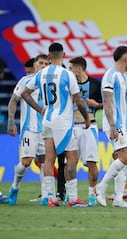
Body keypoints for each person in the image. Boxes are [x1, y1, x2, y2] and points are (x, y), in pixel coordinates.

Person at [21, 42, 90, 207]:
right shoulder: (67, 74)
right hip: (64, 122)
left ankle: (50, 197)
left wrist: (40, 109)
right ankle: (72, 198)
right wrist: (87, 118)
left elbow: (25, 93)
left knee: (49, 160)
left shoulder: (41, 74)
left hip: (47, 121)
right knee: (71, 159)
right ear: (64, 55)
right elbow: (78, 101)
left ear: (49, 56)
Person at [95, 46, 127, 208]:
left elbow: (122, 103)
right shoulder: (110, 76)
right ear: (126, 59)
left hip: (124, 123)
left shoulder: (123, 76)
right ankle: (101, 187)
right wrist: (112, 126)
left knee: (125, 160)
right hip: (115, 123)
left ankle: (118, 199)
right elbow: (107, 102)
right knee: (124, 158)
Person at [7, 54, 49, 205]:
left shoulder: (50, 82)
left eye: (46, 63)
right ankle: (14, 188)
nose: (44, 66)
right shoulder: (26, 80)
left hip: (46, 128)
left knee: (45, 161)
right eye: (41, 63)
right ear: (35, 65)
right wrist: (11, 122)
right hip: (29, 128)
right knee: (26, 162)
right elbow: (13, 100)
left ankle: (46, 196)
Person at [68, 56, 102, 206]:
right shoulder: (67, 84)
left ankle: (92, 195)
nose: (69, 71)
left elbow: (106, 103)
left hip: (90, 127)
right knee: (71, 161)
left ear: (79, 68)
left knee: (92, 162)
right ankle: (71, 196)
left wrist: (97, 104)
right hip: (72, 126)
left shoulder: (95, 84)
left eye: (71, 68)